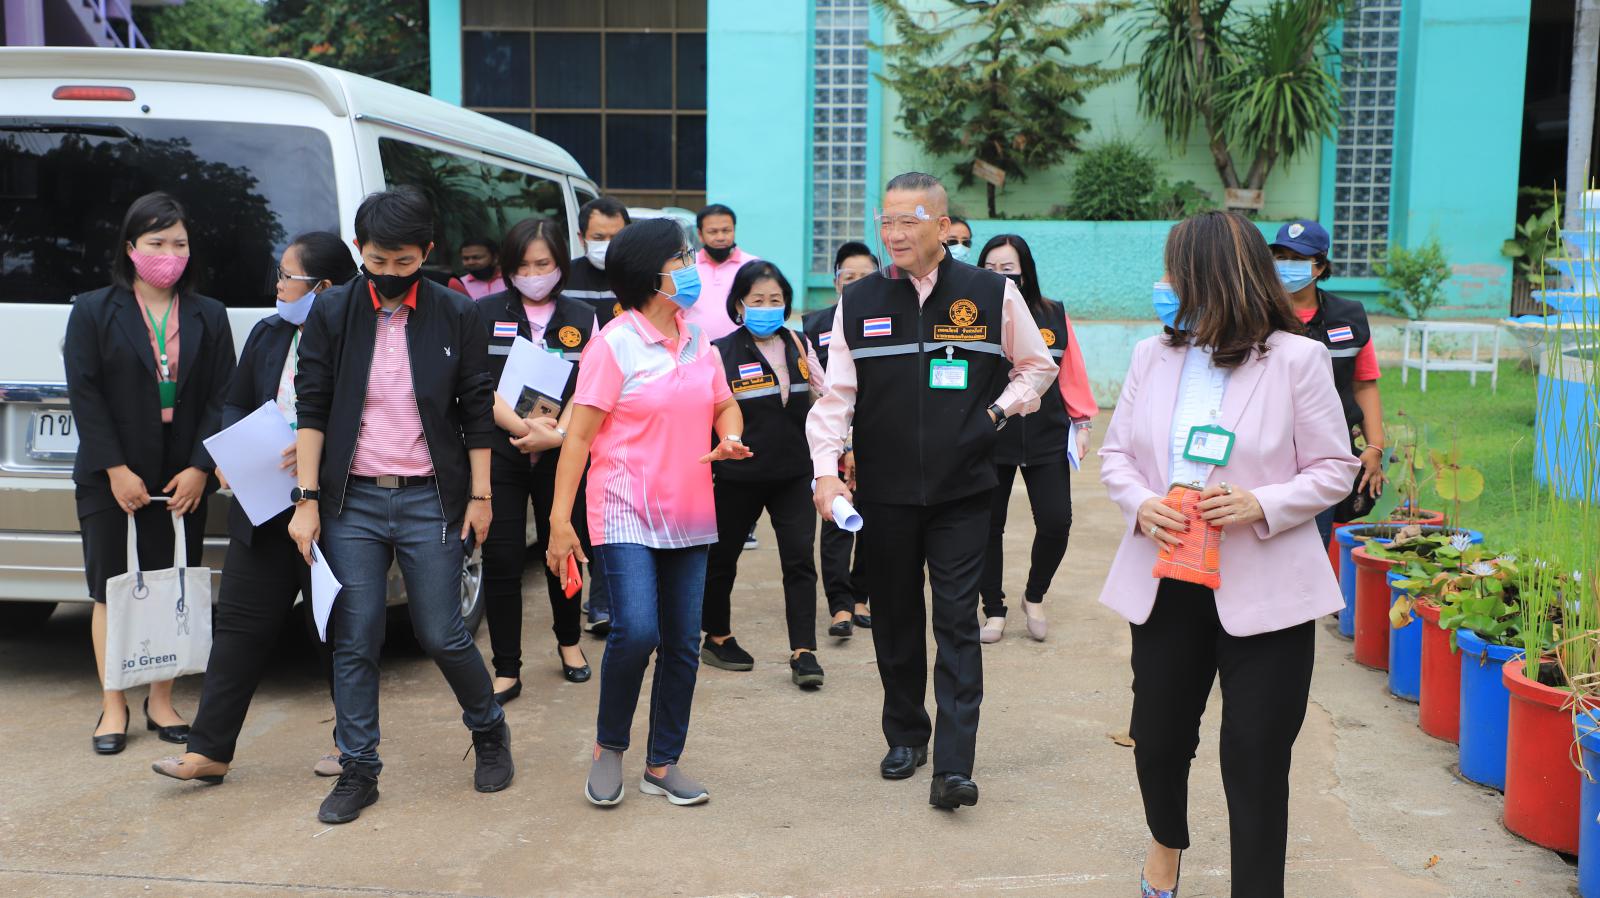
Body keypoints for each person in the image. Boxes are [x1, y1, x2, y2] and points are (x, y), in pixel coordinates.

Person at [1097, 210, 1358, 898]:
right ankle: (1166, 842)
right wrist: (1140, 502)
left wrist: (1262, 503)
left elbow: (1335, 467)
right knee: (1158, 740)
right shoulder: (1152, 356)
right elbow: (1117, 455)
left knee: (1256, 755)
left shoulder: (1297, 359)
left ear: (1213, 276)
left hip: (1266, 586)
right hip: (1168, 575)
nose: (1165, 284)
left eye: (1175, 270)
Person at [807, 172, 1057, 810]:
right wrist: (826, 469)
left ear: (943, 227)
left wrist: (996, 413)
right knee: (894, 619)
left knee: (956, 622)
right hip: (885, 494)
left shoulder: (990, 292)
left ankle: (954, 765)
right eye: (885, 222)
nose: (894, 234)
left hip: (964, 491)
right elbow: (836, 396)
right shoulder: (860, 299)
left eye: (908, 221)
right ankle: (905, 735)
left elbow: (1037, 366)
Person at [288, 188, 512, 825]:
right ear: (360, 249)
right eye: (377, 260)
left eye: (404, 262)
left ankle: (489, 729)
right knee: (355, 636)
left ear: (428, 252)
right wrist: (307, 499)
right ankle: (359, 768)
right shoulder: (333, 310)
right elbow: (312, 407)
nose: (389, 273)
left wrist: (481, 496)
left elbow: (476, 409)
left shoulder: (454, 311)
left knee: (441, 632)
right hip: (351, 501)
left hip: (431, 499)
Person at [544, 217, 751, 808]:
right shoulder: (614, 345)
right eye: (681, 258)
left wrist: (730, 436)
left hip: (690, 509)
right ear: (649, 275)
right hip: (624, 510)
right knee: (636, 630)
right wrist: (559, 520)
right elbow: (578, 438)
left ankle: (662, 763)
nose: (691, 267)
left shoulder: (699, 340)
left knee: (683, 642)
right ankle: (609, 746)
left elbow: (724, 404)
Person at [151, 232, 356, 784]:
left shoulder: (357, 338)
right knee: (239, 626)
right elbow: (237, 400)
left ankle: (352, 746)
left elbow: (375, 414)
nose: (278, 285)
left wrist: (315, 448)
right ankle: (208, 750)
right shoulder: (269, 333)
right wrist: (234, 451)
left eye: (288, 276)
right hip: (261, 503)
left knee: (335, 628)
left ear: (324, 287)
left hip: (330, 508)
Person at [65, 191, 235, 756]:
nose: (169, 254)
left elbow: (222, 396)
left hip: (181, 471)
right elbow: (85, 394)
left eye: (179, 243)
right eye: (156, 242)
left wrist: (201, 467)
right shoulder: (93, 310)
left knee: (170, 586)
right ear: (131, 247)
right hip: (110, 471)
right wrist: (115, 469)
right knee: (110, 588)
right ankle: (113, 701)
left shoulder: (210, 314)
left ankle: (161, 700)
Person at [476, 217, 597, 701]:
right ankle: (507, 666)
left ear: (561, 264)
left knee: (562, 547)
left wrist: (558, 434)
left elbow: (590, 387)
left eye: (543, 264)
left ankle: (569, 642)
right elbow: (477, 384)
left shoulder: (583, 317)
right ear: (508, 268)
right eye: (522, 266)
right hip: (501, 451)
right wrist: (524, 430)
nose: (533, 274)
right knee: (502, 557)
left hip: (561, 454)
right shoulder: (483, 312)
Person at [701, 261, 828, 688]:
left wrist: (842, 445)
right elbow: (708, 410)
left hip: (793, 471)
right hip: (739, 474)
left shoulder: (799, 342)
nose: (767, 307)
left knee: (799, 559)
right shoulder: (719, 351)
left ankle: (804, 651)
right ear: (739, 304)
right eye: (757, 300)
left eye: (775, 300)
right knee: (722, 559)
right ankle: (717, 636)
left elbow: (823, 396)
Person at [974, 235, 1098, 643]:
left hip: (1046, 434)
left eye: (1007, 269)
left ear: (1025, 272)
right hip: (991, 434)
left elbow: (1071, 371)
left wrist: (1082, 423)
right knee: (987, 526)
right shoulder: (971, 315)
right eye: (989, 269)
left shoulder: (1053, 314)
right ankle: (993, 609)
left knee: (1056, 521)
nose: (999, 277)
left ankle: (1034, 595)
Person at [1268, 220, 1386, 548]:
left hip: (1326, 454)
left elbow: (1364, 384)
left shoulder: (1348, 316)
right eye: (1280, 257)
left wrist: (1375, 446)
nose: (1286, 266)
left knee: (1313, 546)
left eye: (1297, 259)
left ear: (1319, 266)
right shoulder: (1256, 315)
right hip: (1269, 450)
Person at [801, 242, 876, 638]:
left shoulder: (889, 319)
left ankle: (862, 595)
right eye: (850, 277)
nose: (857, 283)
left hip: (878, 436)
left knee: (873, 519)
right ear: (835, 282)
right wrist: (843, 444)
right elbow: (817, 390)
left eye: (866, 276)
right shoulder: (813, 326)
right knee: (837, 519)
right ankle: (840, 605)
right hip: (833, 439)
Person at [684, 203, 758, 339]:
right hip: (694, 347)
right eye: (713, 232)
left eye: (726, 230)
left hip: (743, 348)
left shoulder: (754, 266)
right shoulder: (686, 267)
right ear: (700, 234)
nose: (720, 237)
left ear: (734, 230)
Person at [564, 195, 631, 336]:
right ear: (581, 238)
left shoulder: (640, 278)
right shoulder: (563, 277)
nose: (608, 244)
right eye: (598, 238)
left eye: (616, 237)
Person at [447, 235, 506, 301]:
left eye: (476, 257)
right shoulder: (459, 284)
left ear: (495, 258)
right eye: (466, 258)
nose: (470, 262)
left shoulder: (511, 279)